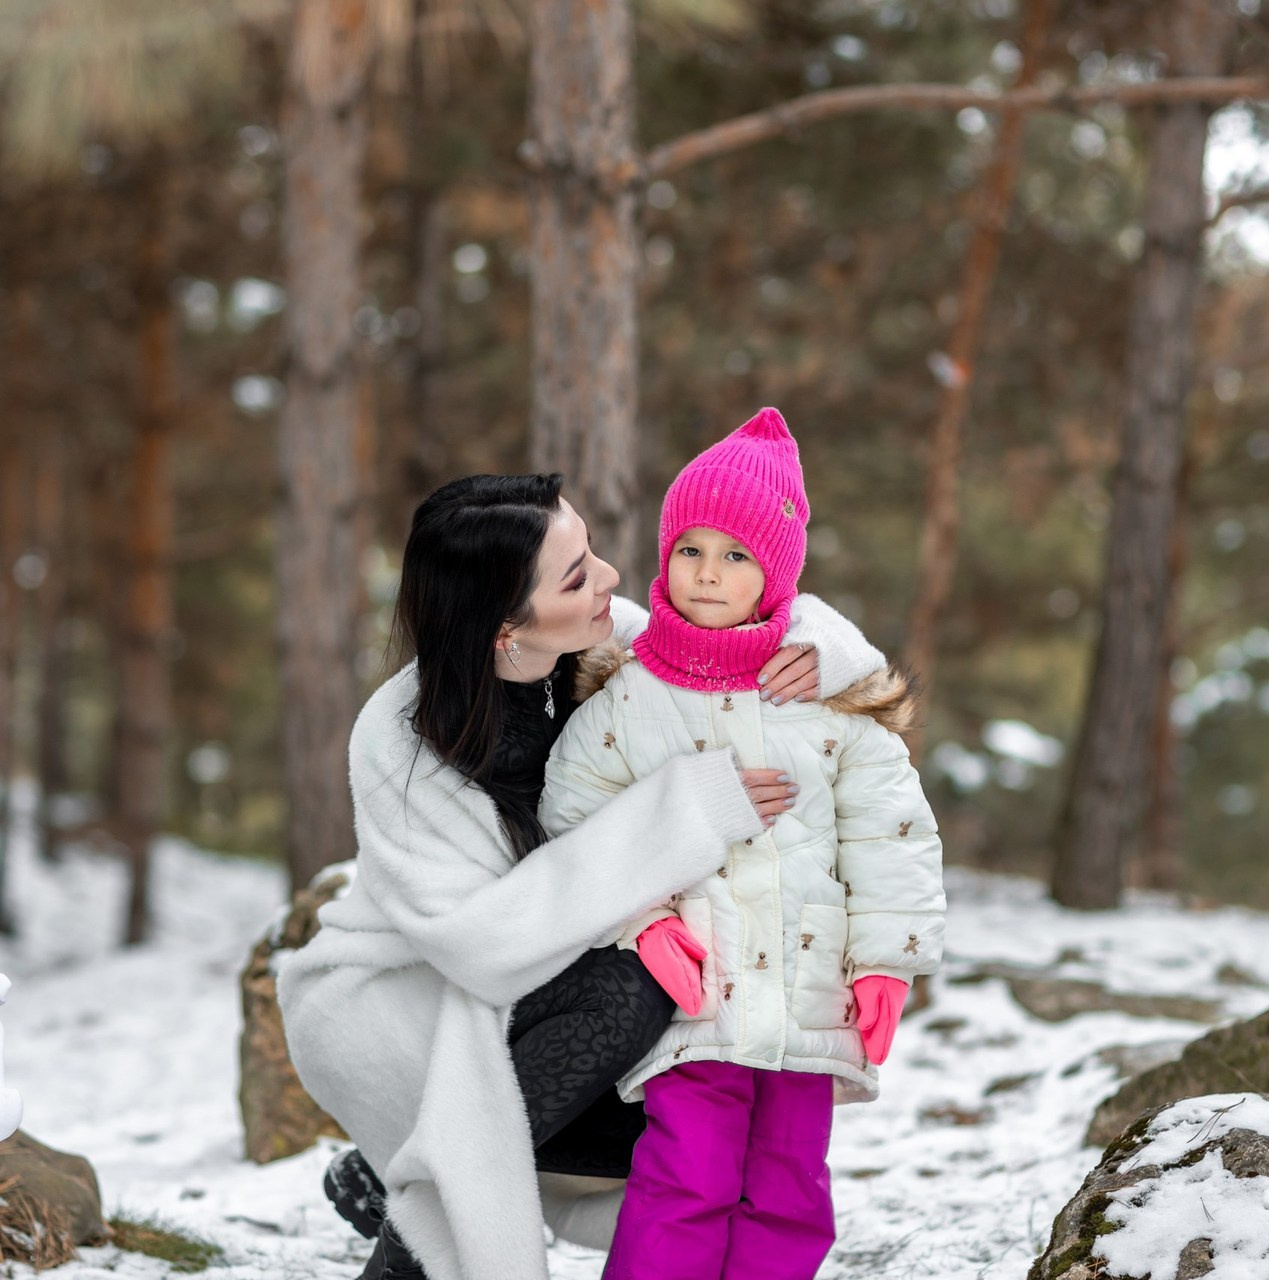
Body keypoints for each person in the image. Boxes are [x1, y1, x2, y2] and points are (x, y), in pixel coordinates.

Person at [276, 472, 879, 1280]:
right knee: (634, 992)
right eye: (577, 574)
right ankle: (413, 1230)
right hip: (409, 1001)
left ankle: (386, 1171)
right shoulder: (399, 745)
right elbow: (481, 947)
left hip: (562, 985)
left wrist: (821, 653)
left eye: (591, 550)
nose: (614, 577)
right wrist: (680, 817)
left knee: (725, 1081)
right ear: (502, 627)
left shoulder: (614, 639)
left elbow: (758, 622)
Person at [539, 409, 946, 1280]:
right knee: (686, 1173)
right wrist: (640, 922)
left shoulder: (826, 694)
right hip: (698, 991)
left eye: (735, 556)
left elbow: (893, 832)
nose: (707, 574)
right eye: (690, 549)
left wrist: (887, 962)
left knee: (791, 1186)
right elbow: (576, 817)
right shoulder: (630, 693)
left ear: (777, 574)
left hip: (810, 990)